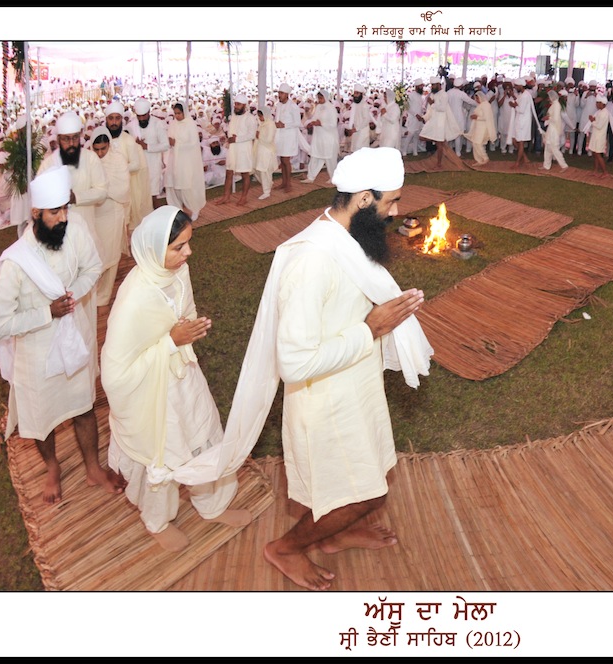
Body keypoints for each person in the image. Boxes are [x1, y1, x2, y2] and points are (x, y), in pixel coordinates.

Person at [223, 147, 433, 590]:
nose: (397, 212)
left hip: (355, 386)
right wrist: (370, 329)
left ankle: (333, 535)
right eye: (392, 201)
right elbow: (295, 361)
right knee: (368, 494)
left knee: (361, 480)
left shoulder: (345, 238)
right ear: (363, 199)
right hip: (326, 401)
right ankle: (285, 548)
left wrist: (377, 324)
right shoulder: (313, 260)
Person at [101, 206, 253, 552]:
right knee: (164, 455)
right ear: (155, 249)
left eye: (188, 243)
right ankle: (157, 521)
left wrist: (188, 330)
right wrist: (171, 341)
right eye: (179, 247)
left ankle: (213, 506)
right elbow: (115, 375)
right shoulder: (134, 300)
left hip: (185, 376)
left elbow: (184, 312)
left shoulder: (178, 271)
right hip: (153, 394)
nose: (189, 253)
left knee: (204, 435)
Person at [0, 166, 125, 504]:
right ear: (36, 213)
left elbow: (92, 267)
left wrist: (71, 295)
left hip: (73, 336)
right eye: (55, 212)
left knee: (84, 406)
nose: (64, 217)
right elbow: (2, 325)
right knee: (42, 418)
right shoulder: (15, 263)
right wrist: (47, 312)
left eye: (65, 208)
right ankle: (52, 468)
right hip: (35, 351)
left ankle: (93, 468)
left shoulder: (75, 228)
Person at [37, 111, 108, 235]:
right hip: (57, 234)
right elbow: (39, 201)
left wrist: (76, 197)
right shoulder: (48, 165)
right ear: (58, 139)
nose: (71, 144)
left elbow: (102, 191)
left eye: (75, 138)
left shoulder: (90, 158)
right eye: (66, 139)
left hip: (86, 232)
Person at [89, 127, 130, 308]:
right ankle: (92, 293)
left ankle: (104, 296)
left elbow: (123, 187)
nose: (99, 153)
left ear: (109, 145)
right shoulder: (89, 161)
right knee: (95, 253)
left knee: (110, 255)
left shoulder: (118, 160)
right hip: (93, 214)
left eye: (103, 149)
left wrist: (101, 190)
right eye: (96, 149)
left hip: (113, 212)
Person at [104, 101, 152, 234]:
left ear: (122, 120)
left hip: (127, 189)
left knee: (128, 224)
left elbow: (135, 165)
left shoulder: (128, 140)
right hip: (107, 189)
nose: (114, 122)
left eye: (117, 118)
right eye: (111, 118)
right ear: (106, 119)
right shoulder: (102, 139)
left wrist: (117, 170)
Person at [165, 100, 207, 221]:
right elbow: (169, 139)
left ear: (184, 112)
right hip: (174, 159)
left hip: (187, 160)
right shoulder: (173, 124)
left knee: (187, 185)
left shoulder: (190, 124)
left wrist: (176, 143)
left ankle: (194, 209)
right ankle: (177, 210)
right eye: (175, 113)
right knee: (172, 185)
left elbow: (193, 143)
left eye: (179, 113)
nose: (177, 116)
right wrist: (170, 142)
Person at [216, 93, 257, 206]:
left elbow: (252, 135)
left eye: (238, 104)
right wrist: (229, 138)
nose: (236, 106)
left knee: (245, 174)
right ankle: (226, 197)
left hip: (244, 149)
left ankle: (244, 197)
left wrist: (237, 139)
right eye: (235, 104)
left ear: (244, 105)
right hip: (233, 148)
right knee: (229, 172)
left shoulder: (250, 118)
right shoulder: (233, 116)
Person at [128, 97, 169, 208]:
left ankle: (157, 217)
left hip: (153, 165)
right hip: (138, 166)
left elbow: (165, 145)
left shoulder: (157, 124)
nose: (141, 119)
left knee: (152, 196)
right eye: (139, 116)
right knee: (139, 196)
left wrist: (147, 146)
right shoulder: (131, 126)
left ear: (149, 112)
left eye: (144, 116)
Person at [419, 77, 463, 168]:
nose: (432, 87)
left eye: (433, 85)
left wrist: (432, 103)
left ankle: (439, 163)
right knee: (422, 137)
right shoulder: (432, 94)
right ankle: (440, 142)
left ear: (439, 85)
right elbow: (430, 110)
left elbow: (442, 108)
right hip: (432, 120)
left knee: (439, 143)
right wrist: (424, 118)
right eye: (431, 85)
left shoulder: (444, 94)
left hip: (440, 122)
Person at [302, 89, 339, 185]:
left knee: (330, 159)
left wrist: (321, 124)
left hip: (328, 137)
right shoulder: (318, 107)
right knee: (315, 156)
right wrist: (312, 123)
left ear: (325, 97)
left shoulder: (331, 108)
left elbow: (333, 124)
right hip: (318, 137)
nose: (319, 100)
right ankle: (310, 177)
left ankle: (334, 178)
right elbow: (315, 118)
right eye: (318, 98)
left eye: (321, 98)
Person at [273, 82, 302, 193]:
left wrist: (285, 125)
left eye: (281, 93)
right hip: (280, 135)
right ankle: (283, 183)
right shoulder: (278, 105)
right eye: (279, 93)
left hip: (289, 136)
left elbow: (298, 123)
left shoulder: (293, 106)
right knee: (282, 159)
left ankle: (288, 184)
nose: (279, 95)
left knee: (286, 160)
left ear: (287, 94)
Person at [464, 89, 497, 166]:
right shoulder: (480, 105)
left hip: (483, 127)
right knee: (475, 143)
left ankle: (485, 158)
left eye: (477, 98)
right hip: (478, 127)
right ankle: (479, 160)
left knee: (477, 143)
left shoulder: (486, 105)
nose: (476, 100)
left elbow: (487, 117)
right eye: (476, 98)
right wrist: (474, 116)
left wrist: (477, 117)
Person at [253, 106, 279, 199]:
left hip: (267, 151)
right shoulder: (262, 124)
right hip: (260, 150)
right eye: (259, 116)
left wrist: (259, 136)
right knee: (258, 170)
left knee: (265, 171)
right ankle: (268, 184)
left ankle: (266, 192)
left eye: (261, 116)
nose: (260, 118)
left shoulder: (271, 125)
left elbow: (269, 139)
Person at [541, 90, 570, 172]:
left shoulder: (556, 105)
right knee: (548, 146)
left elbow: (556, 118)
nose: (548, 99)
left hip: (554, 129)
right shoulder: (554, 104)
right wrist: (548, 119)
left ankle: (564, 165)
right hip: (551, 128)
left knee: (554, 147)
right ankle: (546, 165)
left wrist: (548, 118)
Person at [344, 84, 373, 154]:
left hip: (362, 131)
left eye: (357, 93)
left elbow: (366, 120)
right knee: (354, 149)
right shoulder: (354, 104)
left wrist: (356, 128)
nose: (355, 95)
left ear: (361, 94)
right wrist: (351, 128)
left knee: (360, 150)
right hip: (355, 131)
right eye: (355, 93)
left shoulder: (364, 105)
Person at [401, 79, 427, 157]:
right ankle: (404, 151)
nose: (422, 87)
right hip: (413, 118)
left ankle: (415, 151)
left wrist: (422, 115)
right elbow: (407, 107)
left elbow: (420, 107)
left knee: (416, 135)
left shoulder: (420, 96)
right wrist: (416, 115)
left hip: (419, 118)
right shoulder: (411, 95)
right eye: (421, 86)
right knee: (410, 135)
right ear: (417, 86)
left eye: (422, 86)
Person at [587, 94, 610, 178]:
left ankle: (605, 172)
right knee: (595, 153)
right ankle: (595, 171)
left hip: (600, 136)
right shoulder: (600, 112)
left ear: (602, 104)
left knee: (598, 154)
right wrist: (593, 120)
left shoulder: (604, 113)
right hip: (596, 135)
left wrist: (592, 121)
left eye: (598, 103)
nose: (596, 104)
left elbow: (599, 126)